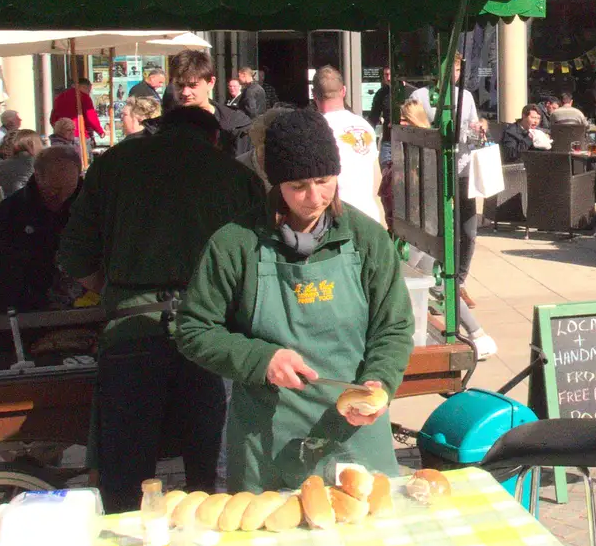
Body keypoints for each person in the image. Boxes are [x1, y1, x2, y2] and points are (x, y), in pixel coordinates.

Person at [176, 111, 415, 490]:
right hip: (267, 438)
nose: (314, 197)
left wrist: (379, 379)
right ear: (275, 184)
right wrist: (261, 359)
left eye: (324, 181)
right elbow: (192, 329)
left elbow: (395, 326)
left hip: (356, 434)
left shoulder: (367, 239)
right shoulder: (235, 244)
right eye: (298, 186)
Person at [56, 104, 267, 512]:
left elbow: (74, 257)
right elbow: (258, 266)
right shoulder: (235, 176)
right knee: (215, 480)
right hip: (213, 336)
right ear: (214, 138)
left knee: (126, 482)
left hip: (130, 330)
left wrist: (118, 294)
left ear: (160, 129)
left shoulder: (113, 164)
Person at [381, 98, 499, 358]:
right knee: (433, 287)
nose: (394, 125)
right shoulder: (411, 152)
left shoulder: (420, 155)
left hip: (419, 233)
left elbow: (415, 197)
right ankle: (477, 334)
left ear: (412, 122)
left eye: (401, 120)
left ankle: (477, 335)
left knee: (419, 284)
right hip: (415, 231)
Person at [412, 54, 488, 307]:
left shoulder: (466, 97)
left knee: (468, 230)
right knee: (437, 229)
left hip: (463, 169)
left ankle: (460, 280)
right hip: (433, 171)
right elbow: (411, 129)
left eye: (457, 69)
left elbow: (475, 132)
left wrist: (479, 130)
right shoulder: (420, 96)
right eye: (450, 69)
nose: (454, 74)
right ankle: (439, 279)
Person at [0, 146, 82, 309]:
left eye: (69, 190)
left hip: (84, 304)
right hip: (28, 306)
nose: (62, 198)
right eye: (54, 190)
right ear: (37, 176)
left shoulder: (90, 206)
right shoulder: (12, 211)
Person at [313, 64, 382, 224]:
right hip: (369, 216)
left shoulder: (316, 128)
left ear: (314, 95)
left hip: (337, 217)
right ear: (343, 91)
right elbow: (376, 177)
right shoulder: (364, 126)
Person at [169, 48, 252, 157]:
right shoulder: (161, 127)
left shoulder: (235, 126)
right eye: (179, 85)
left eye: (193, 85)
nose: (185, 92)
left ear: (211, 83)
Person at [0, 129, 45, 196]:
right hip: (26, 203)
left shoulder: (2, 164)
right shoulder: (39, 164)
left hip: (7, 203)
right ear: (35, 145)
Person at [50, 77, 103, 141]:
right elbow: (91, 117)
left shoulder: (59, 97)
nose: (88, 93)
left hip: (60, 135)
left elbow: (53, 118)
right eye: (88, 90)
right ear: (83, 87)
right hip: (78, 134)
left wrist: (59, 130)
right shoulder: (84, 97)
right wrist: (100, 131)